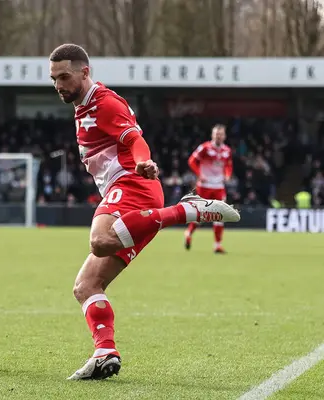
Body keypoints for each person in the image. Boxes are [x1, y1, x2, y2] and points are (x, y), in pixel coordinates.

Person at [48, 44, 241, 381]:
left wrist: (141, 160)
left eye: (64, 76)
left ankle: (184, 212)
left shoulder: (105, 102)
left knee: (100, 240)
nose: (59, 85)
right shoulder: (82, 107)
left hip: (134, 185)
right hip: (125, 194)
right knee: (86, 286)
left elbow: (134, 138)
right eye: (54, 79)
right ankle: (105, 351)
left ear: (85, 72)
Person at [184, 125, 233, 253]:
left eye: (221, 134)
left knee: (220, 215)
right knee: (201, 216)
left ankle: (217, 245)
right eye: (217, 134)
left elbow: (228, 165)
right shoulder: (205, 148)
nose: (219, 136)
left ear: (224, 136)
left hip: (219, 186)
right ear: (212, 135)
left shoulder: (227, 150)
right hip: (204, 186)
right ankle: (188, 233)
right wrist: (200, 175)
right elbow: (191, 161)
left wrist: (227, 175)